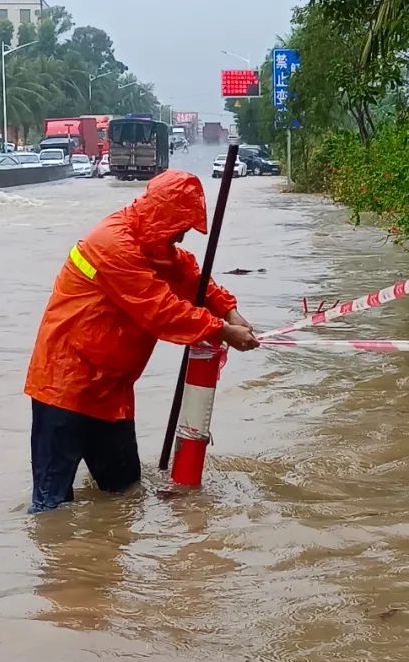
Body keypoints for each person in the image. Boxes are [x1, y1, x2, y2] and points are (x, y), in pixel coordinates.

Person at [24, 168, 258, 512]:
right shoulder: (113, 244)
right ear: (163, 217)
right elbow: (161, 311)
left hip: (111, 392)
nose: (182, 237)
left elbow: (192, 278)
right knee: (52, 509)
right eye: (180, 228)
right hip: (64, 387)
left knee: (124, 498)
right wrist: (222, 331)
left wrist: (230, 312)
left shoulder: (155, 247)